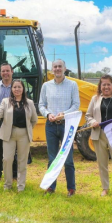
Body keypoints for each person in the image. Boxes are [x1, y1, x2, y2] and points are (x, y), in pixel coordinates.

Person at [39, 59, 80, 197]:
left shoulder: (72, 85)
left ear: (65, 68)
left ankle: (71, 189)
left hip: (67, 125)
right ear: (52, 69)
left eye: (60, 66)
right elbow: (41, 105)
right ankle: (51, 187)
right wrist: (48, 114)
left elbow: (76, 105)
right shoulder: (46, 86)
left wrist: (64, 114)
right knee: (52, 158)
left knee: (68, 159)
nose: (57, 69)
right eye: (55, 67)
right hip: (50, 125)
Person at [85, 75, 112, 197]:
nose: (106, 87)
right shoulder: (95, 99)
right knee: (102, 163)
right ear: (100, 86)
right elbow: (88, 115)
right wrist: (92, 122)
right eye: (103, 84)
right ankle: (105, 188)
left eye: (108, 84)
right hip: (99, 134)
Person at [0, 79, 38, 192]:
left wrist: (28, 130)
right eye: (14, 87)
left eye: (19, 87)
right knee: (7, 159)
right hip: (9, 134)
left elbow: (34, 120)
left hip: (24, 135)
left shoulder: (29, 103)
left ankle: (21, 186)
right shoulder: (5, 101)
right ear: (11, 89)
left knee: (22, 160)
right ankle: (7, 185)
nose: (17, 89)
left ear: (23, 89)